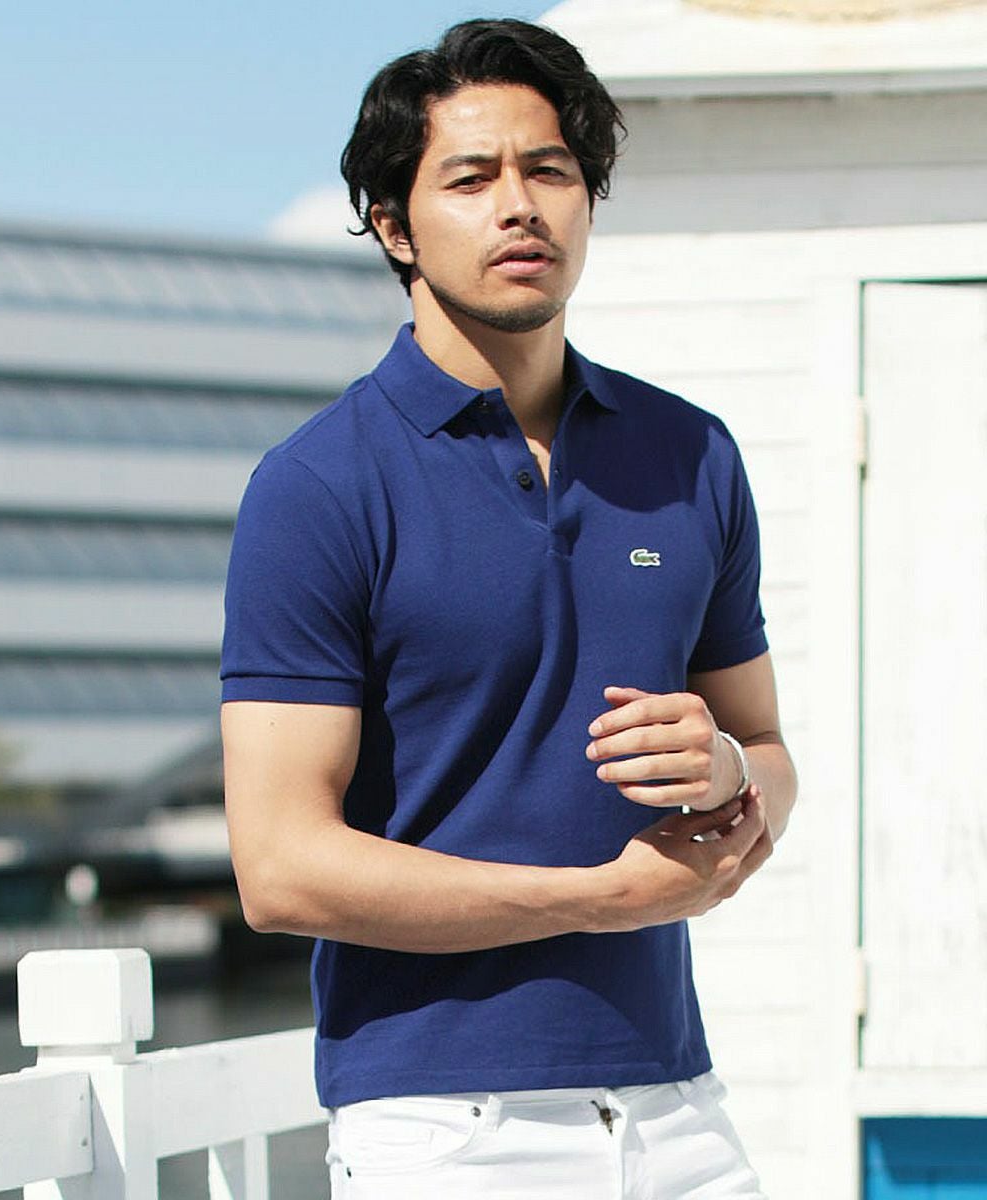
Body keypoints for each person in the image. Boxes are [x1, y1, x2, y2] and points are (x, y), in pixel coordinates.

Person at [220, 17, 796, 1200]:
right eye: (470, 178)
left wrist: (727, 770)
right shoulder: (318, 485)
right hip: (444, 1127)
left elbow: (769, 756)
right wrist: (600, 901)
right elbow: (280, 868)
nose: (520, 206)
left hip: (678, 1112)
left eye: (549, 171)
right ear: (394, 226)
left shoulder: (690, 453)